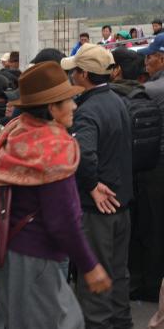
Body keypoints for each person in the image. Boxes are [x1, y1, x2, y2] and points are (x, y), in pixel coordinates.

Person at [0, 61, 111, 328]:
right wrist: (90, 265)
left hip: (7, 251)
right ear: (52, 108)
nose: (74, 106)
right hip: (36, 258)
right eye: (68, 101)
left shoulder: (18, 130)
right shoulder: (54, 148)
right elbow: (63, 221)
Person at [61, 43, 134, 329]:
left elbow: (84, 155)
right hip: (121, 204)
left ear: (83, 75)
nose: (71, 76)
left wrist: (91, 185)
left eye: (74, 71)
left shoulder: (87, 110)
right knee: (118, 275)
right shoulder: (118, 100)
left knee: (95, 282)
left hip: (97, 209)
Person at [132, 34, 164, 301]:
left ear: (161, 58)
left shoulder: (151, 91)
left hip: (155, 167)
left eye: (150, 56)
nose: (146, 62)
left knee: (153, 227)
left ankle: (152, 285)